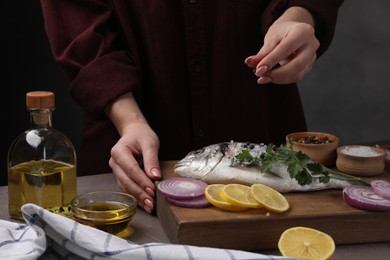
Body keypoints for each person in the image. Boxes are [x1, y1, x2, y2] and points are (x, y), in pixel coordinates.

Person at [40, 0, 344, 214]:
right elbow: (79, 25)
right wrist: (130, 122)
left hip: (261, 128)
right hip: (132, 154)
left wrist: (300, 14)